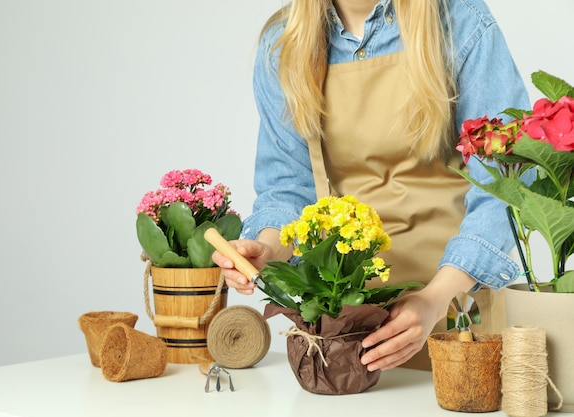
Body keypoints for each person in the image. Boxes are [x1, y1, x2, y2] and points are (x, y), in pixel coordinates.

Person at [212, 0, 529, 371]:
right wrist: (268, 249)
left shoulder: (459, 22)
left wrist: (435, 298)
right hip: (347, 325)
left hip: (458, 312)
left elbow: (505, 180)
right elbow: (287, 187)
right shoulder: (283, 43)